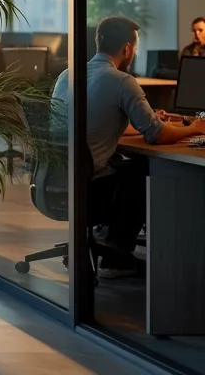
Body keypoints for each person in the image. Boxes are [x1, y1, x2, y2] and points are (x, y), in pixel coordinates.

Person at [51, 16, 205, 278]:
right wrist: (195, 128)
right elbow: (155, 134)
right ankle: (116, 256)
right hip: (91, 188)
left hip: (55, 181)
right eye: (134, 47)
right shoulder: (122, 81)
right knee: (140, 169)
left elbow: (101, 120)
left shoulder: (68, 75)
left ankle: (110, 242)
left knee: (127, 165)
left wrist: (147, 118)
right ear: (126, 48)